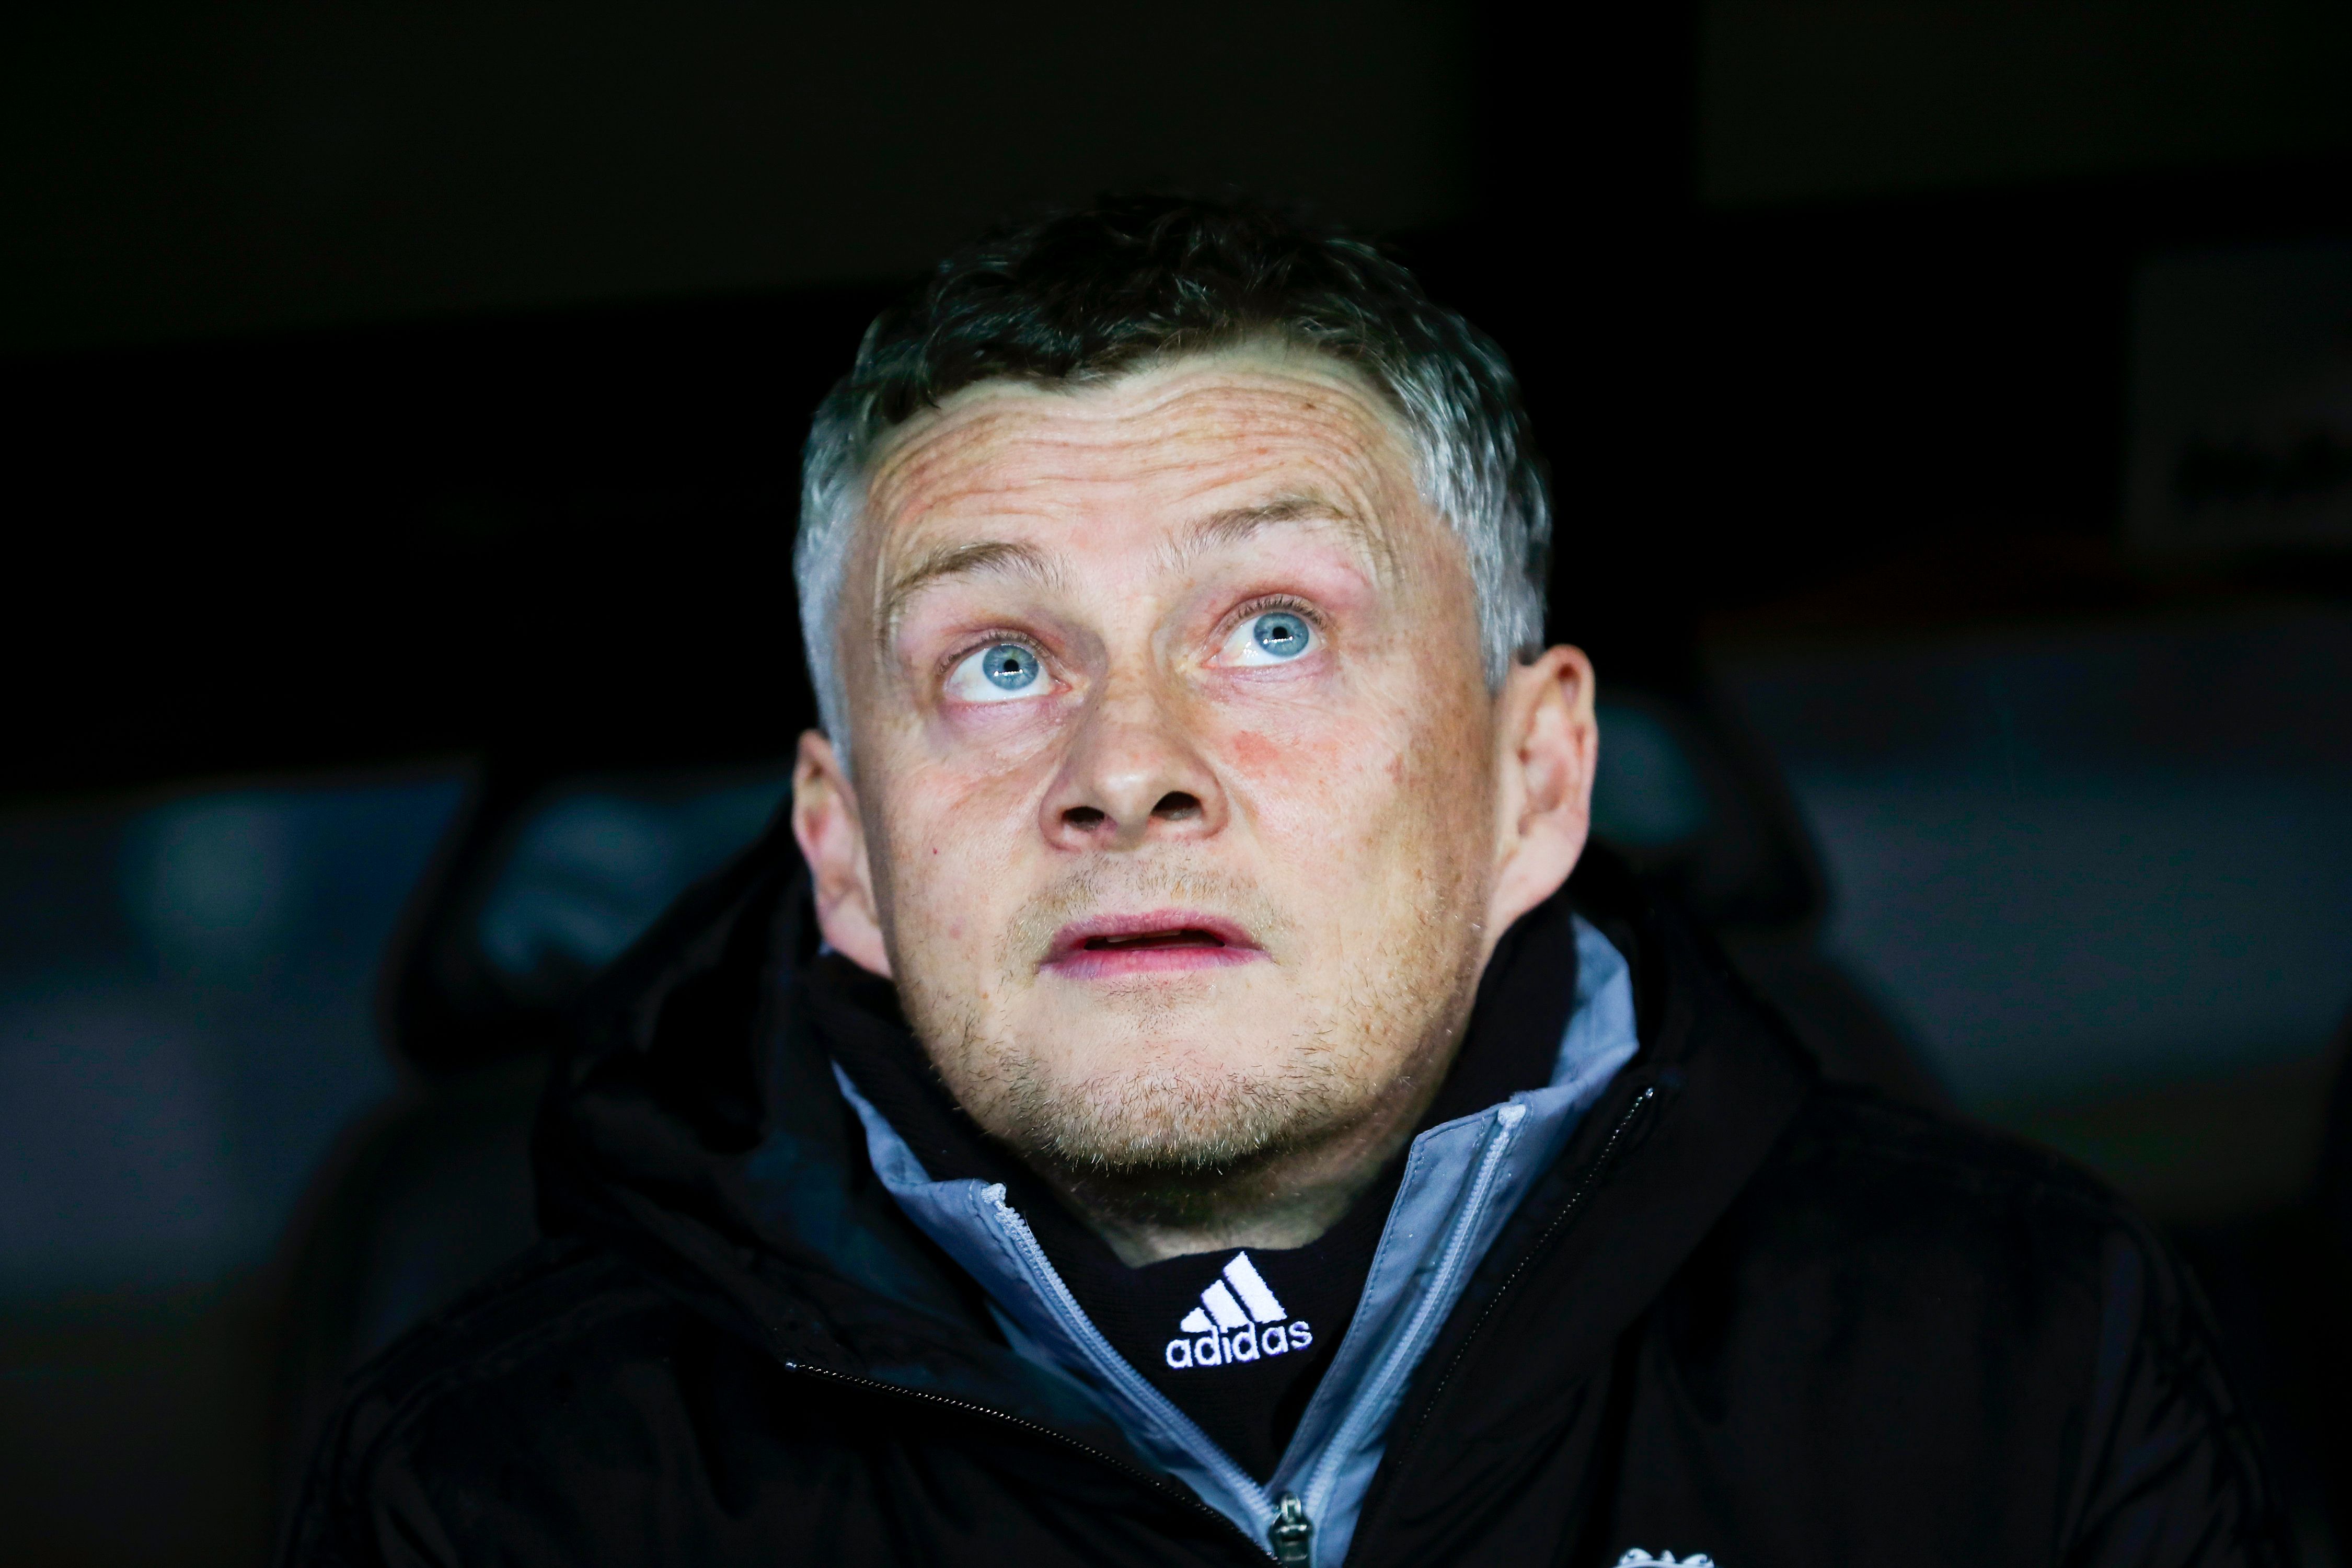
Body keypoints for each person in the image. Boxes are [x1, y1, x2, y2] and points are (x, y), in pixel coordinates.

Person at [282, 195, 2283, 1567]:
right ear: (845, 851)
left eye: (1271, 631)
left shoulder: (2016, 1356)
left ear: (1533, 778)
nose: (1123, 771)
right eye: (999, 663)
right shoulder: (503, 1495)